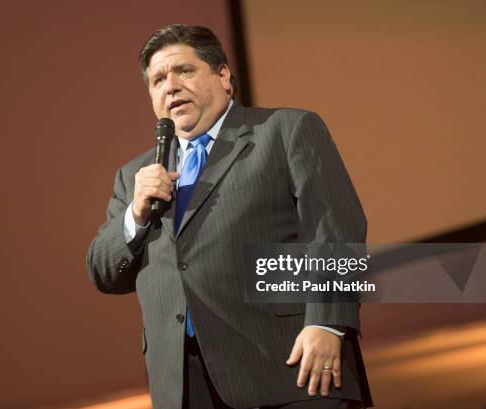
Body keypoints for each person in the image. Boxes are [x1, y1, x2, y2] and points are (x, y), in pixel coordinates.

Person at [87, 24, 372, 409]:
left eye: (183, 71)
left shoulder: (285, 131)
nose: (169, 86)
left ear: (223, 76)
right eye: (157, 80)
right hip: (185, 386)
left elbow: (335, 231)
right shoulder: (135, 176)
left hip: (291, 367)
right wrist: (135, 215)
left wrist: (327, 323)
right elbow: (103, 272)